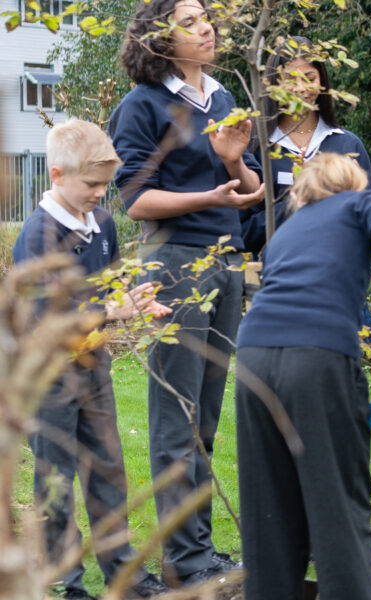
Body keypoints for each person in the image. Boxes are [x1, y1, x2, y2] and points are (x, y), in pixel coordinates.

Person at [108, 0, 264, 585]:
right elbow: (133, 201)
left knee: (205, 418)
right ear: (160, 39)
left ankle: (194, 552)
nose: (208, 28)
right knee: (177, 418)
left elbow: (246, 189)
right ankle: (187, 560)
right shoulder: (143, 105)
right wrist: (210, 198)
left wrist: (234, 165)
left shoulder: (222, 100)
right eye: (192, 21)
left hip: (226, 263)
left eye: (207, 18)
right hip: (173, 263)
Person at [235, 153, 371, 600]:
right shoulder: (355, 203)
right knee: (339, 510)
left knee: (269, 516)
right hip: (317, 357)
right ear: (352, 182)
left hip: (253, 357)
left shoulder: (287, 232)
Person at [13, 120, 173, 600]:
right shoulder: (38, 235)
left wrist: (135, 301)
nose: (102, 194)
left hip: (93, 369)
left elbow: (105, 286)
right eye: (91, 184)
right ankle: (66, 582)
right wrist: (113, 310)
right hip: (47, 378)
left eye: (106, 184)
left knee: (108, 472)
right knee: (55, 481)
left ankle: (124, 576)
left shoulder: (100, 224)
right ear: (57, 175)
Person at [240, 36, 371, 256]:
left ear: (321, 81)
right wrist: (294, 200)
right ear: (274, 84)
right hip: (275, 279)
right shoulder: (256, 146)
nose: (301, 88)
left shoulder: (346, 145)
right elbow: (243, 234)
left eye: (309, 77)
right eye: (290, 80)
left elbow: (369, 224)